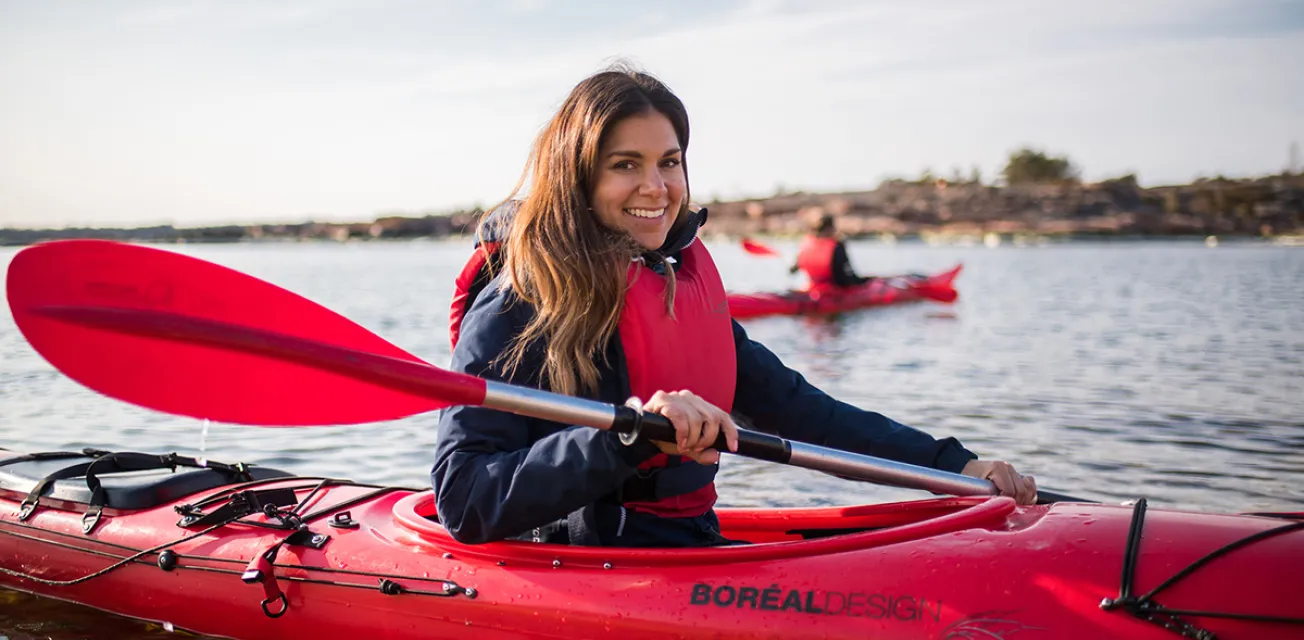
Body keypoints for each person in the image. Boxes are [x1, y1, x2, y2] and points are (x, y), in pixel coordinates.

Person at [432, 66, 1036, 548]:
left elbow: (809, 414)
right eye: (625, 165)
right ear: (576, 176)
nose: (657, 187)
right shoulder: (516, 304)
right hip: (584, 567)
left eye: (670, 163)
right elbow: (464, 501)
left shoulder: (675, 284)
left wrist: (956, 467)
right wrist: (630, 435)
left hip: (691, 544)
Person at [789, 212, 870, 288]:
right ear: (830, 229)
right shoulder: (836, 247)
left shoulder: (806, 243)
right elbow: (847, 278)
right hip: (832, 290)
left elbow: (792, 270)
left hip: (810, 286)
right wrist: (867, 281)